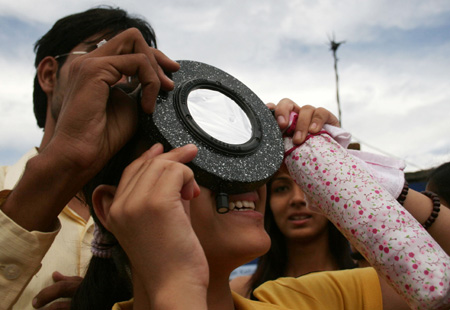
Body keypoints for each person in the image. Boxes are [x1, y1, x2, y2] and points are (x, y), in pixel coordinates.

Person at [70, 100, 450, 310]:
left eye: (241, 158)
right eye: (195, 160)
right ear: (112, 206)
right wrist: (176, 281)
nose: (243, 181)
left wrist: (350, 177)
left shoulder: (310, 302)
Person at [0, 6, 180, 309]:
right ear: (48, 74)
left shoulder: (165, 205)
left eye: (138, 64)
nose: (122, 72)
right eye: (101, 51)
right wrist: (61, 167)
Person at [230, 163, 356, 298]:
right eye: (282, 188)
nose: (297, 199)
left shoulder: (369, 283)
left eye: (309, 186)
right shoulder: (241, 293)